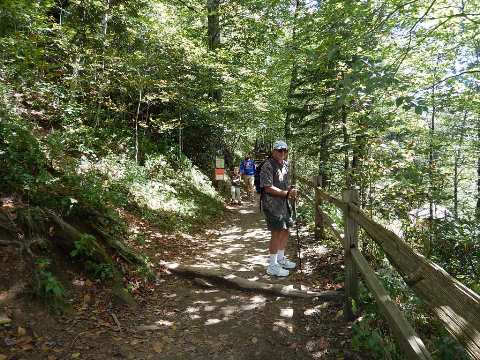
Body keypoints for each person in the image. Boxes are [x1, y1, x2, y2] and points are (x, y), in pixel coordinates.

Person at [259, 140, 298, 277]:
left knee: (286, 229)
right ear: (273, 151)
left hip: (284, 204)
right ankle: (272, 265)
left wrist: (291, 191)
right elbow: (267, 187)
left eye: (285, 151)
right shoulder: (268, 165)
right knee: (276, 232)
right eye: (279, 150)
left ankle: (281, 259)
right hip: (272, 204)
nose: (282, 153)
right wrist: (287, 193)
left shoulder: (286, 165)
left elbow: (286, 184)